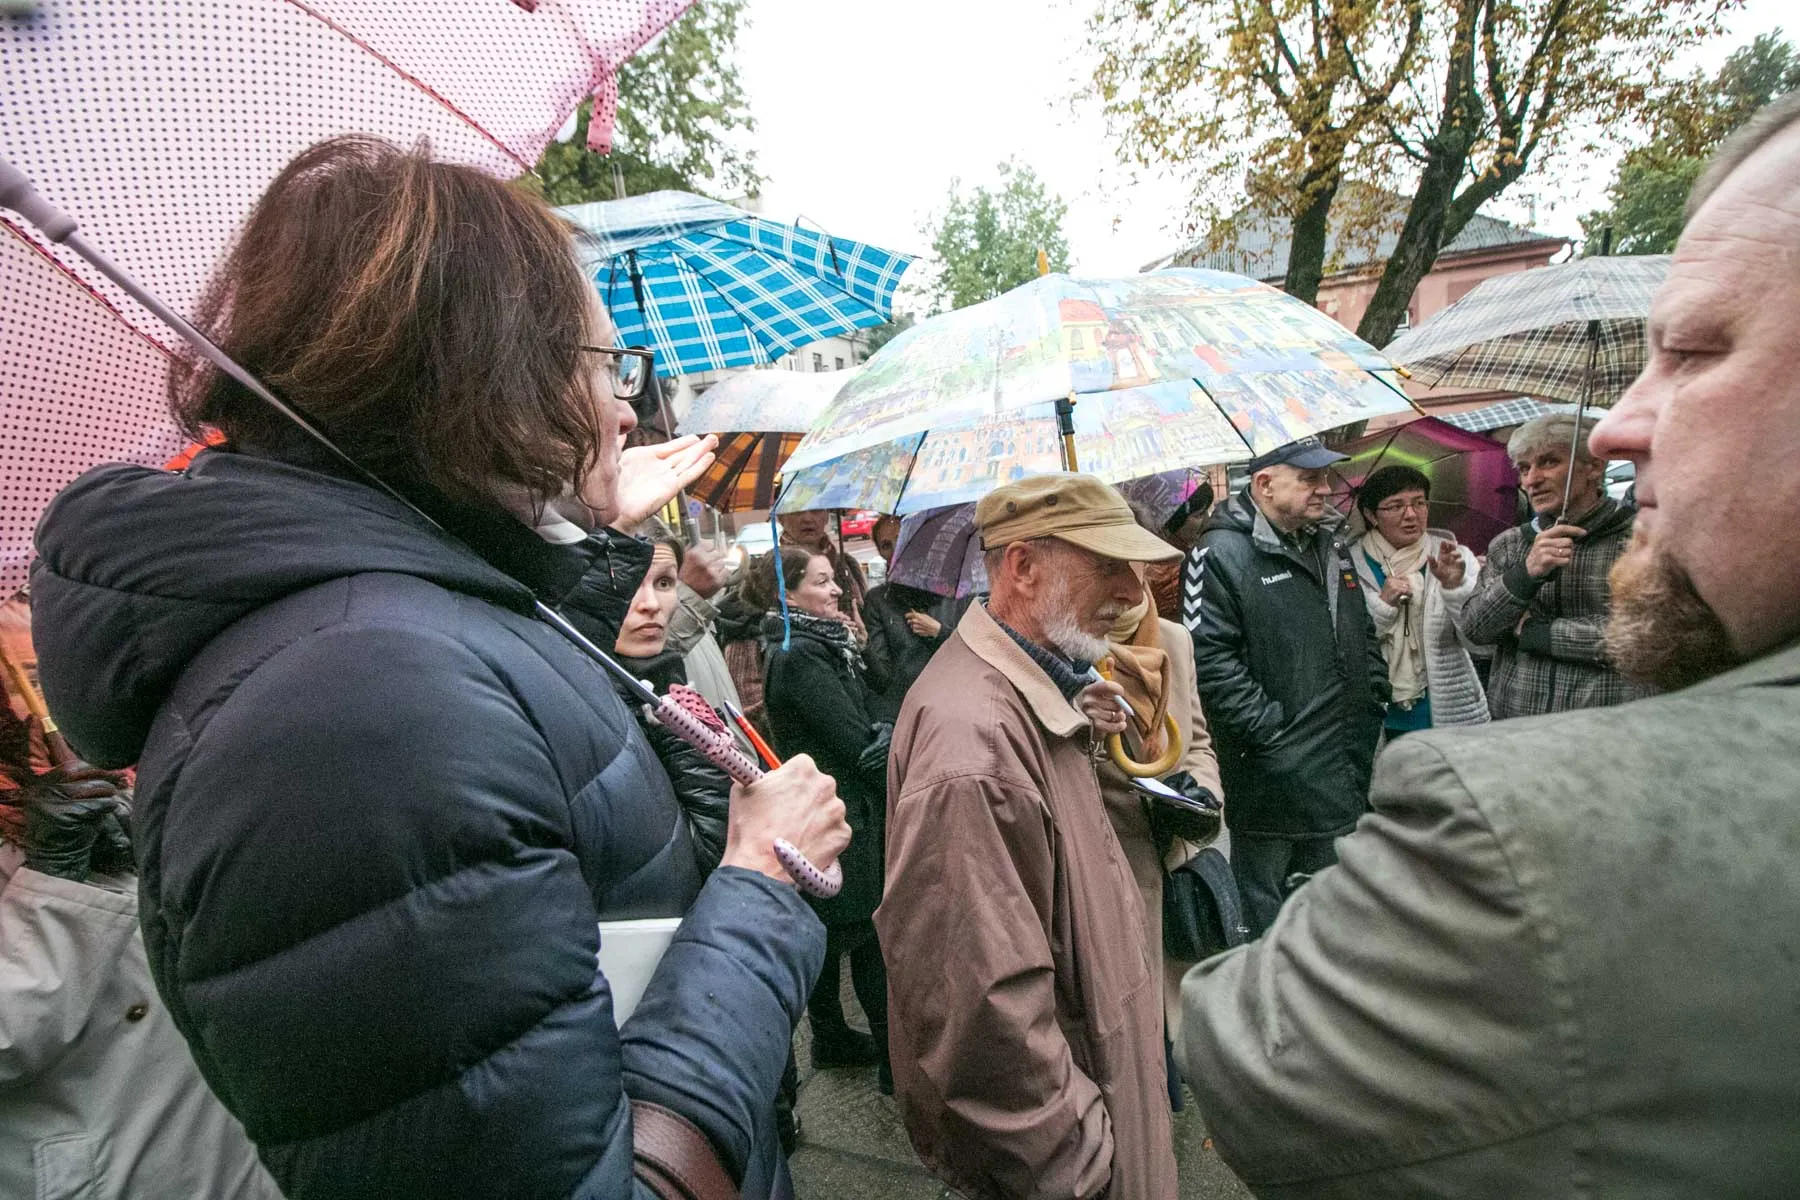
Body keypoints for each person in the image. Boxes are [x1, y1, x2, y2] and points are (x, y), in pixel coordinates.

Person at [28, 137, 850, 1200]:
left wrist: (573, 543)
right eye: (609, 368)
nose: (625, 411)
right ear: (486, 371)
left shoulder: (395, 648)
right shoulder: (365, 705)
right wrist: (763, 888)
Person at [1175, 95, 1800, 1195]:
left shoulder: (1504, 814)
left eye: (1696, 350)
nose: (1614, 429)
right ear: (1263, 482)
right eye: (1316, 481)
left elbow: (1256, 1054)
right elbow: (1246, 664)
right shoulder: (1242, 556)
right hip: (1297, 772)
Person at [878, 474, 1182, 1200]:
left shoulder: (1027, 696)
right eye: (1107, 565)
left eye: (1135, 568)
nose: (1133, 592)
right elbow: (983, 1021)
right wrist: (1079, 1167)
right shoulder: (977, 745)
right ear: (1022, 566)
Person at [1182, 437, 1389, 936]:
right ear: (1264, 484)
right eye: (1310, 479)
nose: (1325, 489)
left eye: (1324, 477)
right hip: (1273, 776)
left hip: (1343, 759)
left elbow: (1359, 629)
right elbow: (1208, 663)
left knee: (1334, 909)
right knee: (1271, 919)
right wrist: (1274, 736)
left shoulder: (1328, 543)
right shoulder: (1217, 554)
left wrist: (1373, 693)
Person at [749, 548, 893, 1086]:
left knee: (842, 933)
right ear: (789, 595)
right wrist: (883, 737)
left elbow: (871, 700)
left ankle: (834, 1038)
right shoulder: (801, 655)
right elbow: (854, 740)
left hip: (838, 808)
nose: (837, 590)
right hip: (838, 811)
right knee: (865, 934)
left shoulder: (826, 644)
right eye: (823, 582)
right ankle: (887, 1059)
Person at [1092, 585, 1224, 1050]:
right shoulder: (1071, 648)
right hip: (1112, 864)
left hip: (1175, 855)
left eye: (1136, 563)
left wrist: (1202, 793)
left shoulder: (1174, 638)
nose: (1125, 577)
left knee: (1177, 1023)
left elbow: (1199, 741)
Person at [1460, 413, 1642, 718]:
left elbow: (1644, 638)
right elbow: (1475, 629)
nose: (1532, 480)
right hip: (1518, 729)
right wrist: (1525, 575)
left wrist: (1535, 633)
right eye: (1524, 469)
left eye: (1548, 462)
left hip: (1605, 728)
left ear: (1594, 467)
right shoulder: (1510, 544)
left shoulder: (1638, 542)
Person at [1351, 465, 1489, 735]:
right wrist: (1383, 604)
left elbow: (1481, 642)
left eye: (1419, 503)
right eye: (1395, 506)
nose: (1411, 514)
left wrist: (1455, 588)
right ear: (1370, 514)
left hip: (1449, 712)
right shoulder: (1349, 564)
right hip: (1379, 716)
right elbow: (1349, 645)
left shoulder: (1455, 557)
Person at [861, 514, 961, 722]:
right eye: (886, 545)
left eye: (902, 539)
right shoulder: (878, 600)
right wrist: (863, 646)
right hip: (911, 715)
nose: (896, 550)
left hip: (957, 706)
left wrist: (939, 632)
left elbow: (976, 653)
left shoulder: (956, 590)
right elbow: (882, 678)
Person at [778, 509, 868, 633]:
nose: (807, 519)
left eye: (815, 510)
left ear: (826, 517)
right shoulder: (771, 571)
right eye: (797, 511)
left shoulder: (845, 565)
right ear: (781, 518)